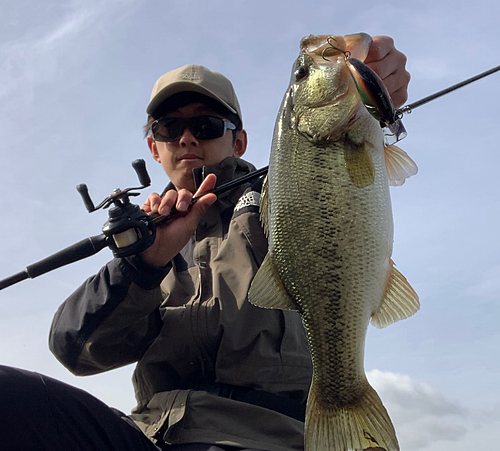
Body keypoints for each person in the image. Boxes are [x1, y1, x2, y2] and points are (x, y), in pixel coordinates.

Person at [0, 35, 410, 451]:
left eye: (207, 125)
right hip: (152, 437)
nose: (187, 138)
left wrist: (375, 95)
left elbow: (344, 189)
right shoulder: (146, 245)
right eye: (169, 127)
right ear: (153, 148)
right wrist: (141, 265)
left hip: (272, 436)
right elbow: (76, 350)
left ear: (240, 141)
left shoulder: (284, 194)